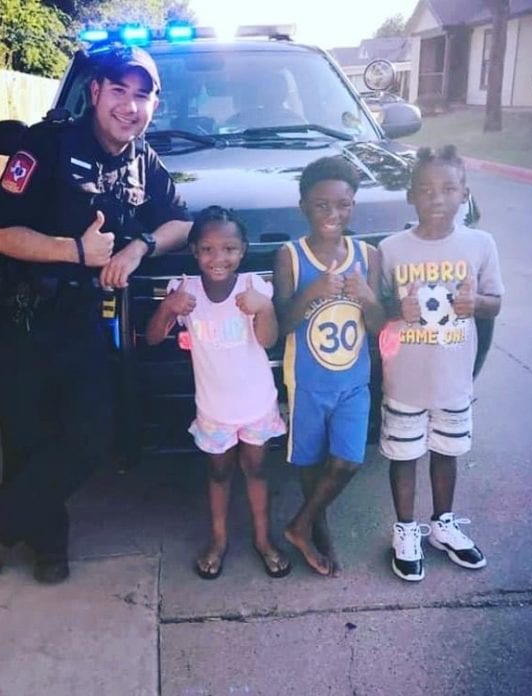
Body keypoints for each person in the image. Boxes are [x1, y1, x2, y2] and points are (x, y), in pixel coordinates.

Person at [0, 45, 192, 584]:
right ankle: (48, 547)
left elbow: (180, 221)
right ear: (94, 92)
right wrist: (77, 251)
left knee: (95, 435)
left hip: (82, 318)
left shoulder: (142, 158)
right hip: (20, 317)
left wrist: (139, 245)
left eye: (143, 95)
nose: (130, 106)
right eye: (119, 90)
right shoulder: (44, 144)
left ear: (154, 104)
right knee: (26, 436)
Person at [377, 145, 504, 582]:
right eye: (427, 189)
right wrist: (398, 307)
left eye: (449, 188)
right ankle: (406, 529)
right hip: (404, 380)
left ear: (464, 194)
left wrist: (476, 303)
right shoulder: (391, 249)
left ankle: (443, 525)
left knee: (447, 452)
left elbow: (495, 303)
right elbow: (377, 309)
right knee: (404, 454)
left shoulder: (480, 244)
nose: (438, 198)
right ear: (411, 195)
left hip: (453, 379)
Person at [145, 206, 290, 580]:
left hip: (257, 405)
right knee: (219, 473)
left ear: (242, 251)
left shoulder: (254, 288)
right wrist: (167, 307)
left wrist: (265, 309)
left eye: (228, 249)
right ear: (194, 252)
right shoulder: (185, 290)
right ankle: (219, 539)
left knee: (257, 470)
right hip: (213, 411)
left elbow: (269, 340)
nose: (218, 258)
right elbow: (153, 336)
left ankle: (263, 539)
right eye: (207, 249)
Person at [273, 157, 384, 577]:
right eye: (322, 206)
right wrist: (313, 291)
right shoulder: (291, 257)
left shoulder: (367, 256)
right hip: (306, 382)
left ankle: (300, 523)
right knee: (308, 460)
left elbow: (378, 324)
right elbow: (282, 324)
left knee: (349, 460)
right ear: (304, 206)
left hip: (354, 381)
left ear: (353, 205)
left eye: (343, 205)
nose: (333, 215)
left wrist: (368, 298)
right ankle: (316, 526)